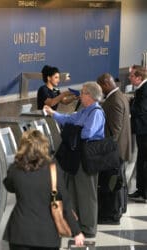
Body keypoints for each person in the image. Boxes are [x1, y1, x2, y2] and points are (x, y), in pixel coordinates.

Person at [3, 129, 85, 250]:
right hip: (48, 235)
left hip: (19, 233)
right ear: (44, 147)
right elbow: (66, 203)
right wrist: (76, 231)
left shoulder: (15, 169)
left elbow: (9, 186)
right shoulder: (53, 170)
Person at [44, 82, 105, 238]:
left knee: (87, 194)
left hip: (87, 158)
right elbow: (68, 119)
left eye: (83, 93)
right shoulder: (85, 111)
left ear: (90, 96)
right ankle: (76, 225)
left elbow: (87, 133)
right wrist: (53, 114)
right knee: (75, 192)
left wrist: (74, 127)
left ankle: (89, 228)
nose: (80, 95)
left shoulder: (96, 112)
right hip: (76, 158)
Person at [96, 73, 132, 223]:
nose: (99, 90)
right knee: (117, 181)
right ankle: (119, 209)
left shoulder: (115, 100)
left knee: (112, 183)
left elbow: (115, 132)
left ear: (105, 84)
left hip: (114, 151)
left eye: (99, 86)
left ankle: (112, 214)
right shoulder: (119, 96)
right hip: (119, 150)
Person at [128, 65, 147, 200]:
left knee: (143, 160)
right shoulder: (141, 89)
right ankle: (141, 190)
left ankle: (143, 191)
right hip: (142, 129)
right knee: (141, 159)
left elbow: (141, 109)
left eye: (132, 76)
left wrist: (130, 108)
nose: (130, 78)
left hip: (144, 130)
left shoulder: (144, 90)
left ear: (139, 78)